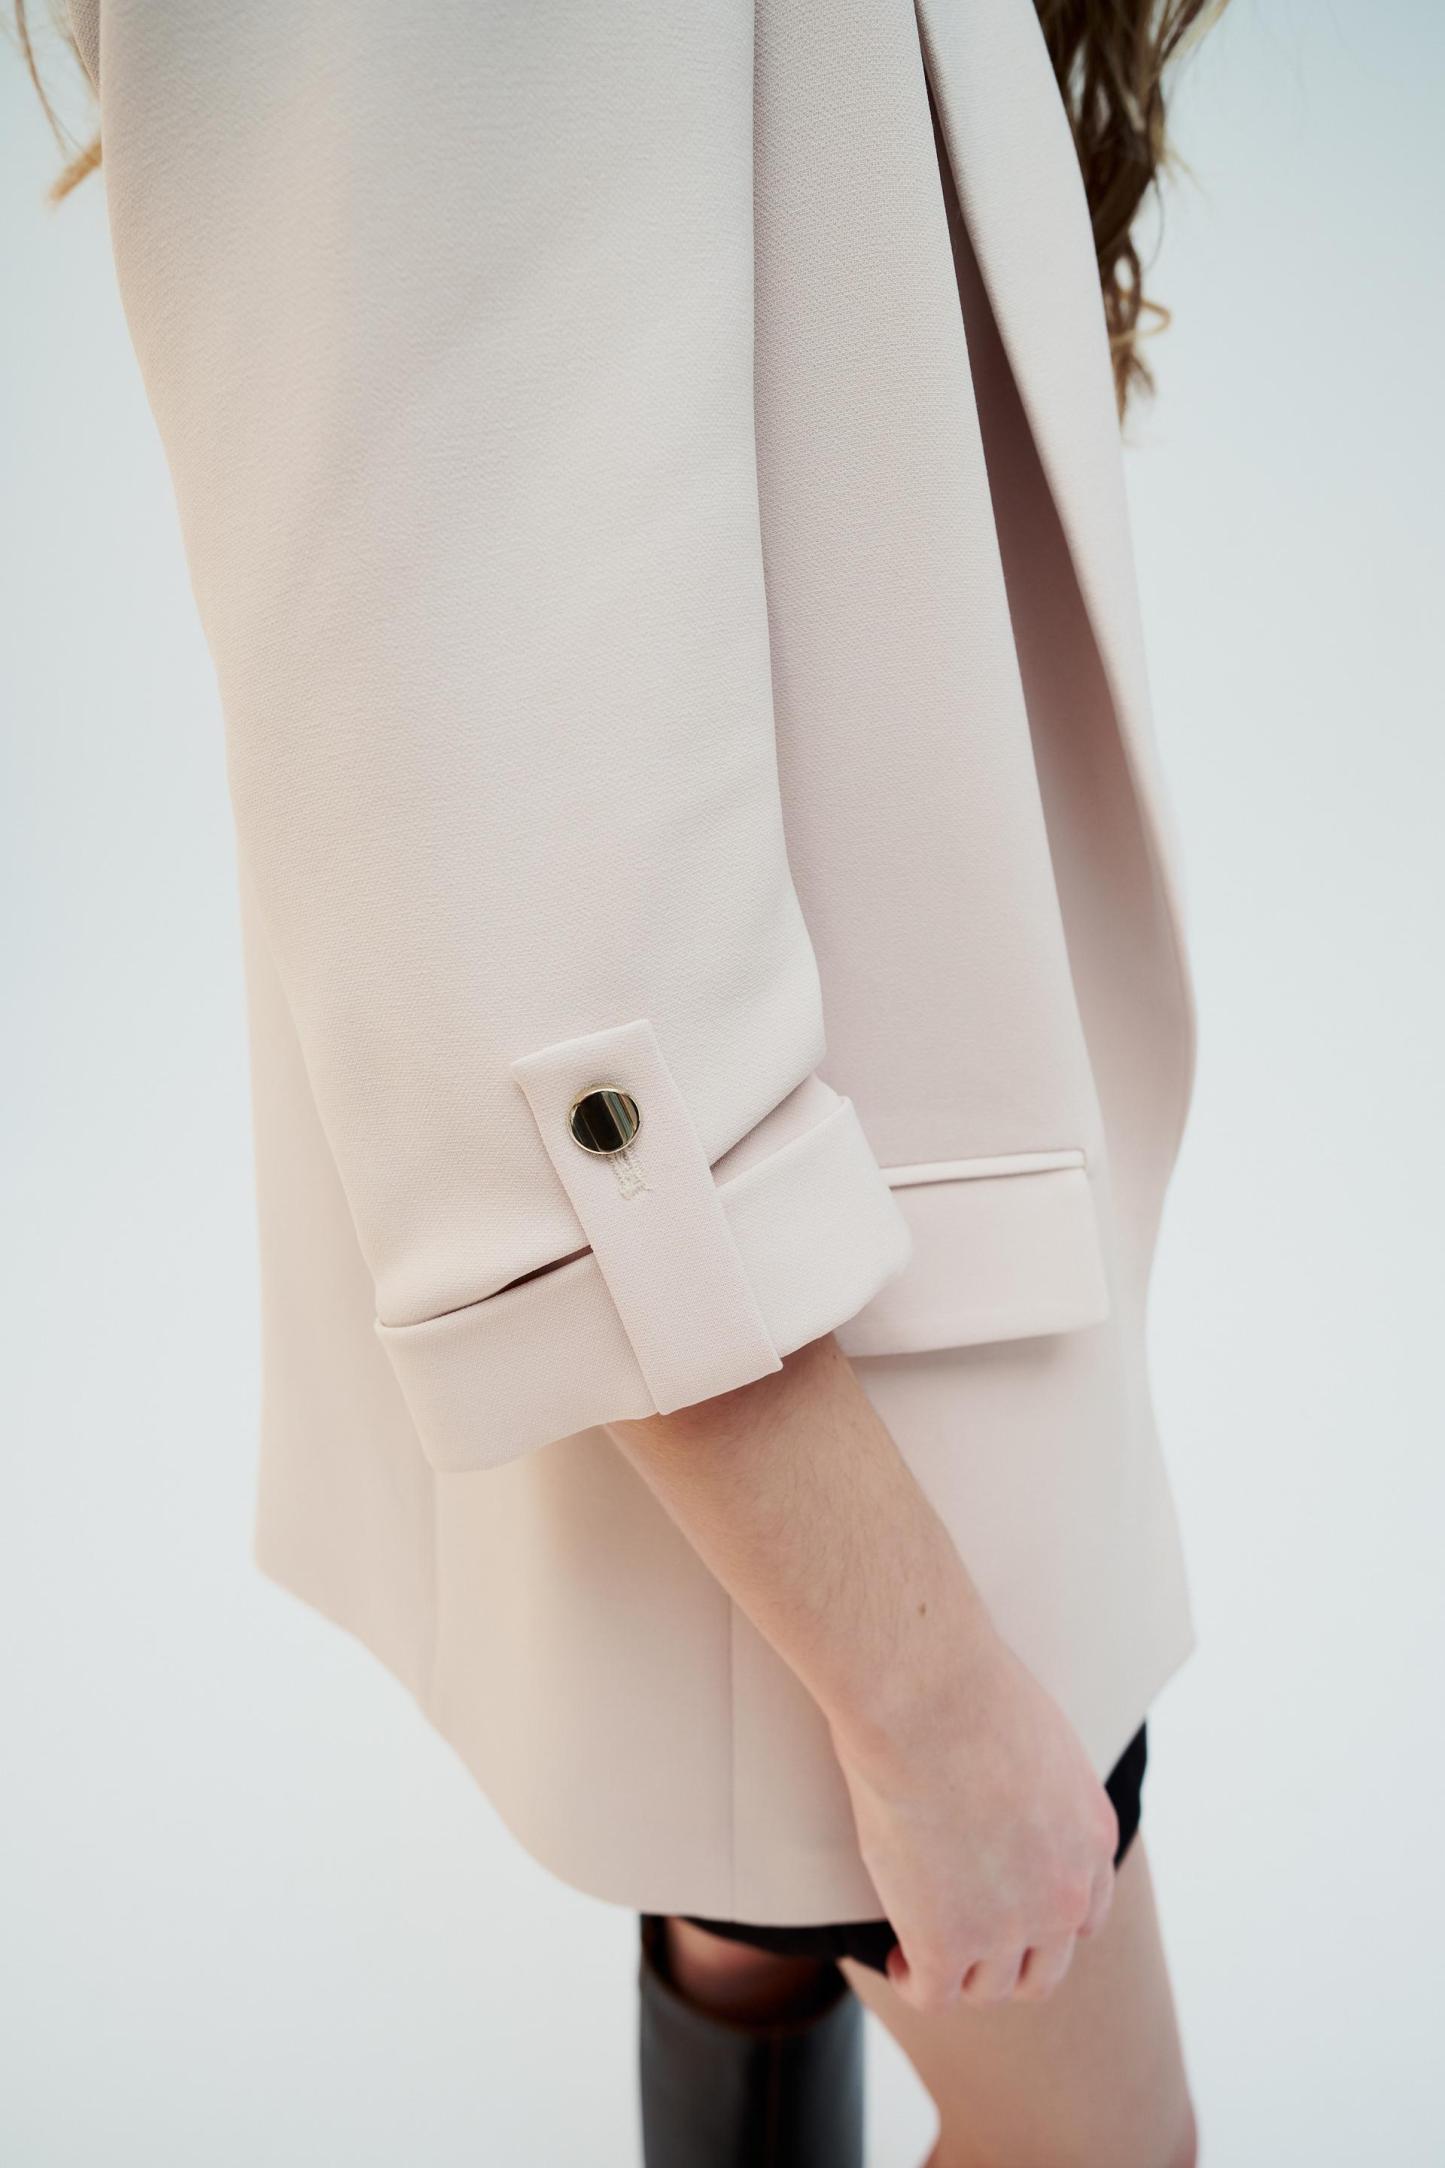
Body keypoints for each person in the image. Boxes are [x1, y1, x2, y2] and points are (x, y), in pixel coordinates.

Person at [18, 0, 1228, 2159]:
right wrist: (922, 1697)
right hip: (828, 1380)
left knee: (747, 1920)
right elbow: (492, 796)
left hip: (788, 1312)